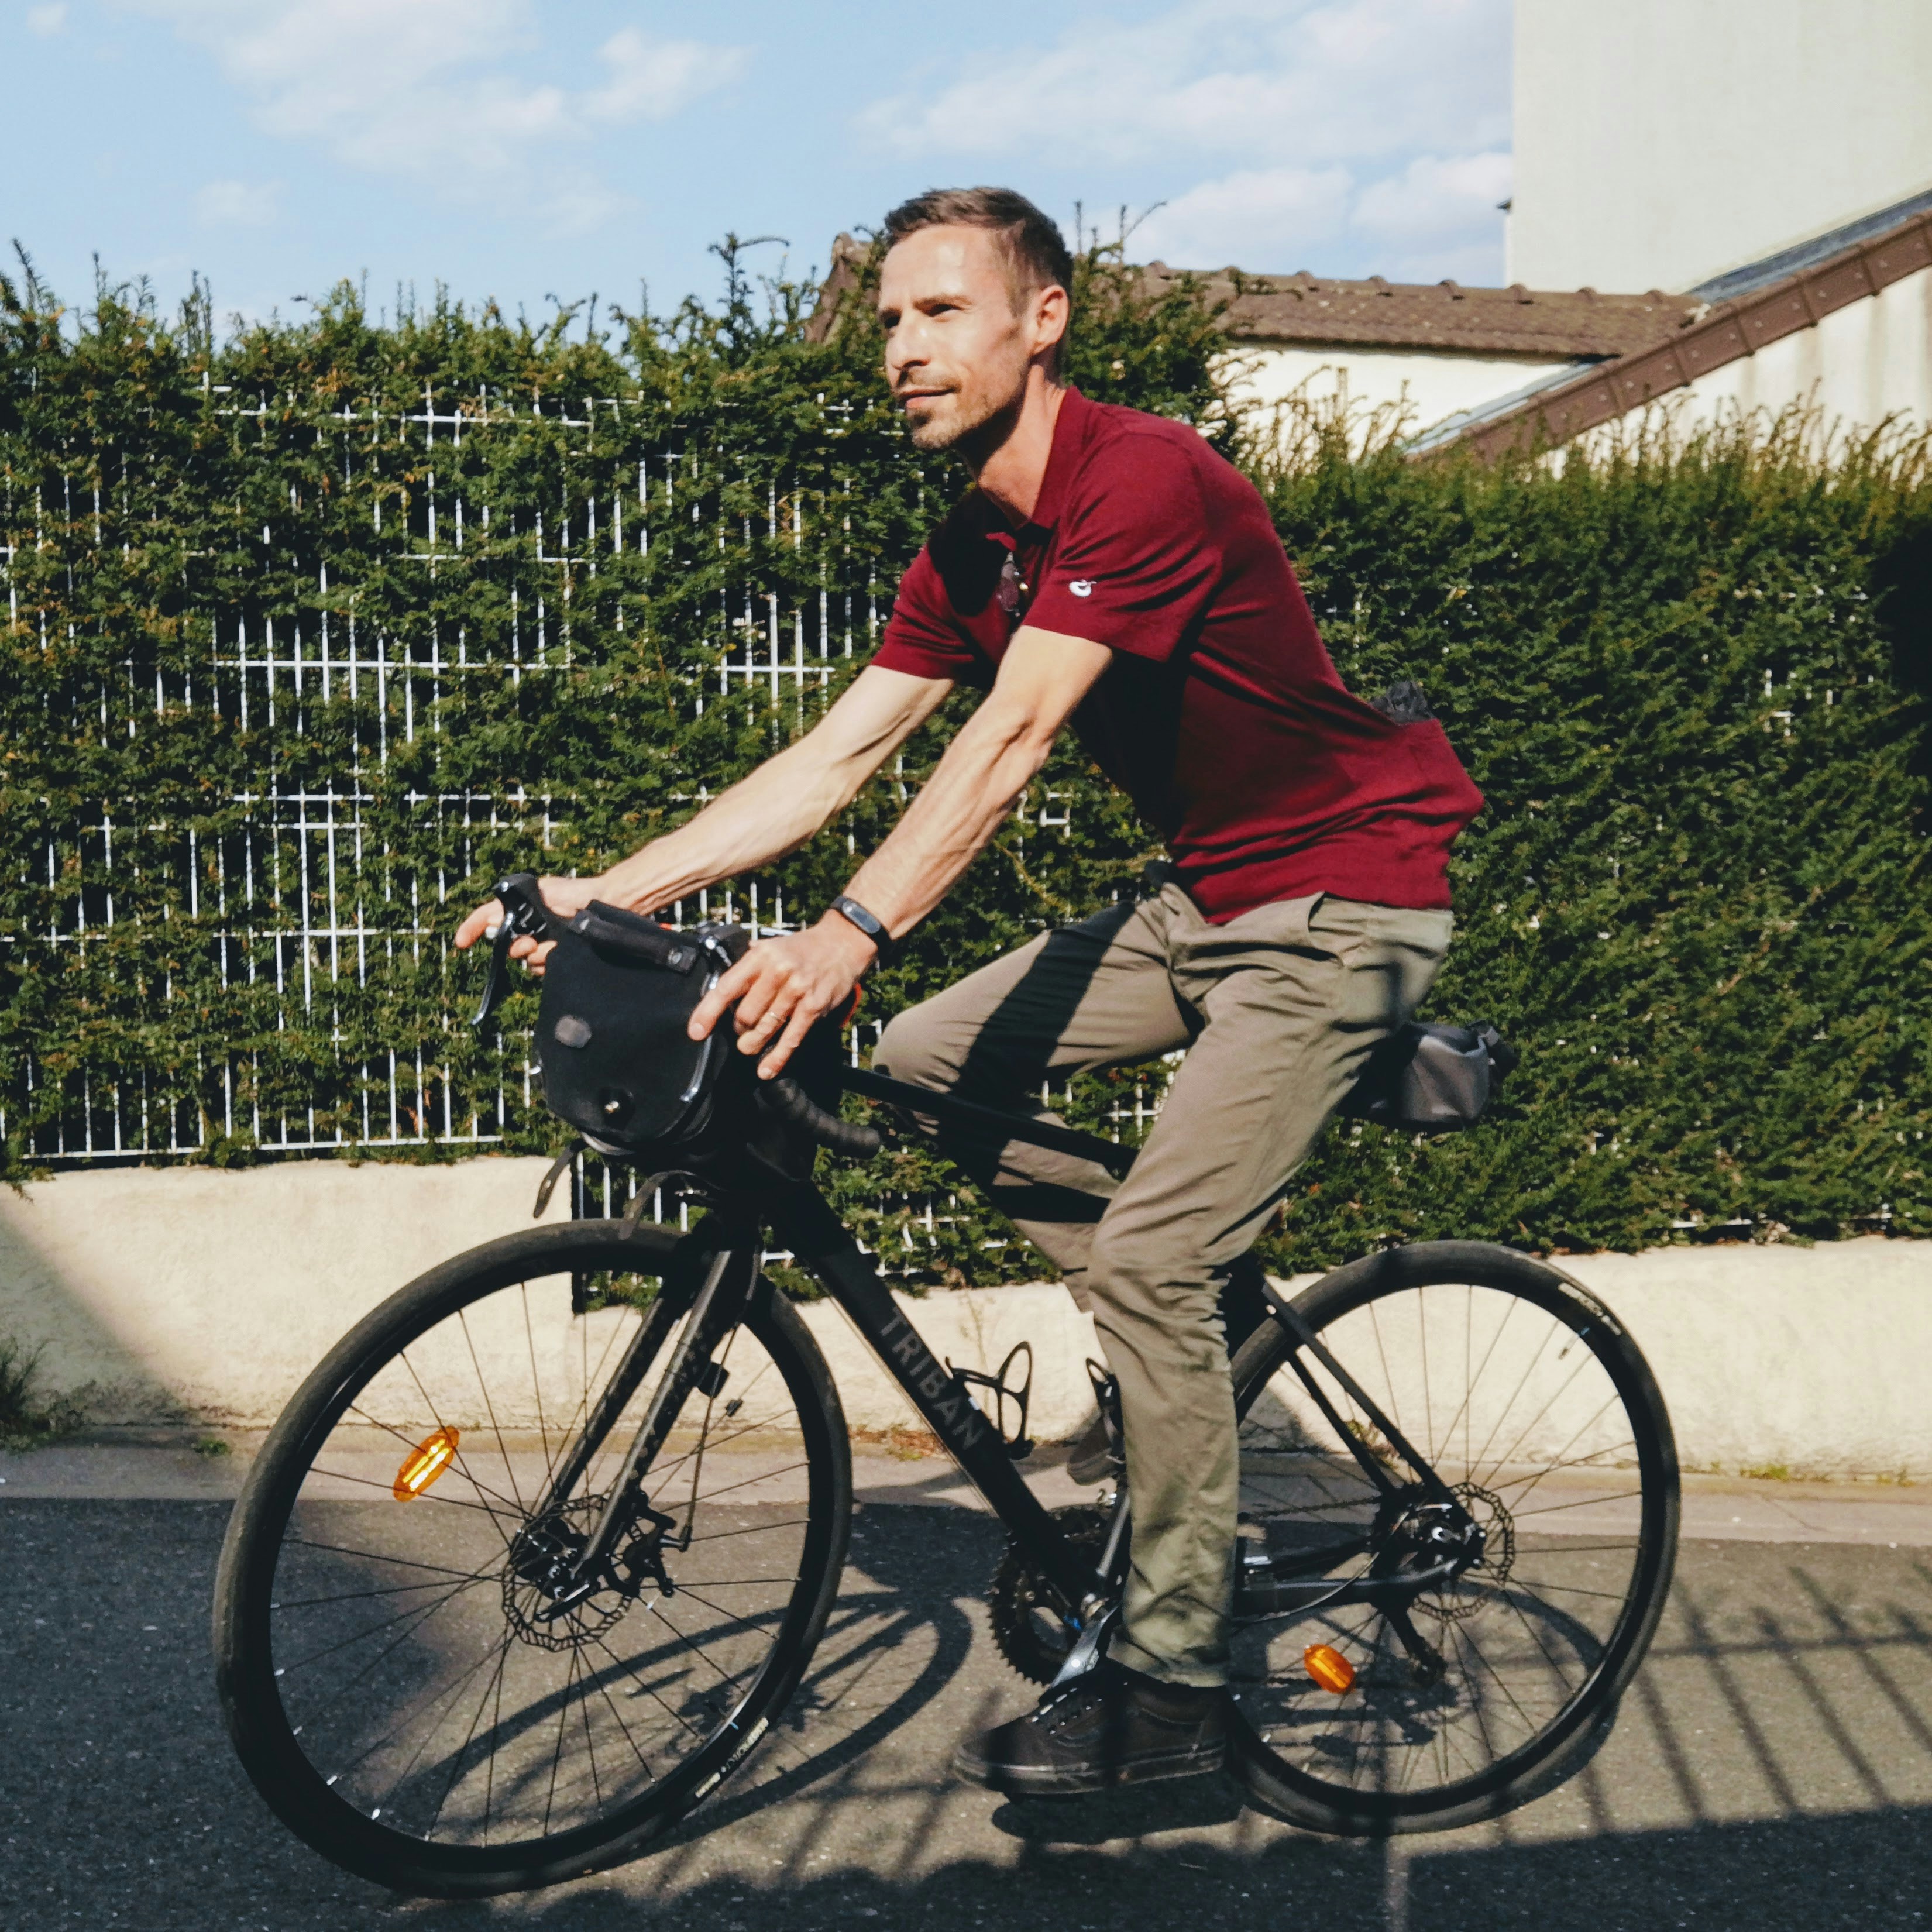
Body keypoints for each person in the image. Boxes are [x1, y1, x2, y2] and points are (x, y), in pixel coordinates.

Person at [457, 185, 1484, 1795]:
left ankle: (1170, 1689)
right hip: (1203, 895)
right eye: (889, 319)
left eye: (941, 312)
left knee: (1141, 1257)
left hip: (1346, 894)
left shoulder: (1147, 479)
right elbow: (835, 758)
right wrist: (610, 891)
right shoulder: (977, 544)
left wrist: (845, 936)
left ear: (1042, 319)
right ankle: (1182, 1318)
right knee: (925, 1068)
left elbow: (1006, 745)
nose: (903, 349)